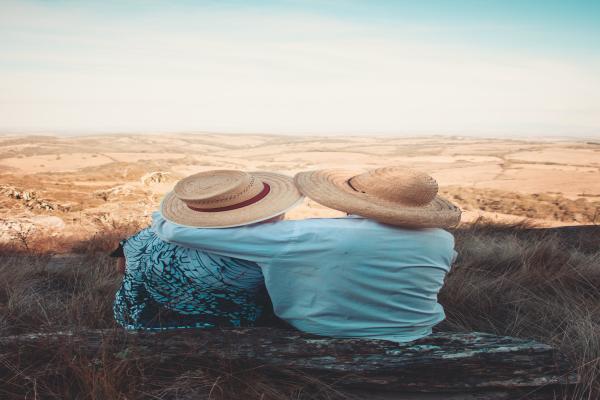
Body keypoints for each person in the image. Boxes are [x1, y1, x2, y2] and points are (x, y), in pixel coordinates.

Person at [151, 167, 461, 342]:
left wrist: (171, 205)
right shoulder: (442, 240)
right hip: (418, 333)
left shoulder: (308, 235)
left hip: (327, 336)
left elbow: (176, 231)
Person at [112, 169, 303, 330]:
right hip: (220, 338)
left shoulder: (147, 234)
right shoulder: (262, 252)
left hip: (132, 321)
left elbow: (121, 268)